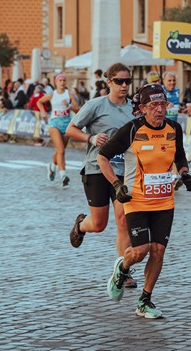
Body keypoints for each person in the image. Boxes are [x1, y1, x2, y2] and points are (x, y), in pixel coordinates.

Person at [98, 84, 191, 319]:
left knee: (158, 250)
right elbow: (102, 157)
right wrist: (116, 185)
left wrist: (184, 173)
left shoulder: (174, 128)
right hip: (137, 200)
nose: (160, 110)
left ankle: (145, 300)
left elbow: (179, 155)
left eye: (163, 104)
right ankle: (122, 269)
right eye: (154, 106)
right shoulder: (131, 130)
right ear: (142, 108)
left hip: (164, 202)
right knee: (140, 250)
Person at [66, 62, 137, 287]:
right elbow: (70, 129)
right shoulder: (95, 105)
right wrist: (91, 138)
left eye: (127, 81)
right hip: (96, 169)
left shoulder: (134, 108)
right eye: (119, 81)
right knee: (99, 224)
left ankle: (123, 271)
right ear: (109, 82)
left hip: (123, 172)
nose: (124, 85)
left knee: (123, 221)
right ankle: (80, 225)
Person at [37, 73, 81, 186]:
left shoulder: (69, 94)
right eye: (60, 80)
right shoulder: (52, 94)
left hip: (66, 124)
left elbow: (78, 110)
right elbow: (39, 102)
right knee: (61, 150)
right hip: (54, 124)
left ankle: (52, 167)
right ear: (56, 82)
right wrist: (42, 111)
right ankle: (63, 175)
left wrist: (70, 106)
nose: (62, 82)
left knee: (60, 151)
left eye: (64, 80)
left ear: (66, 83)